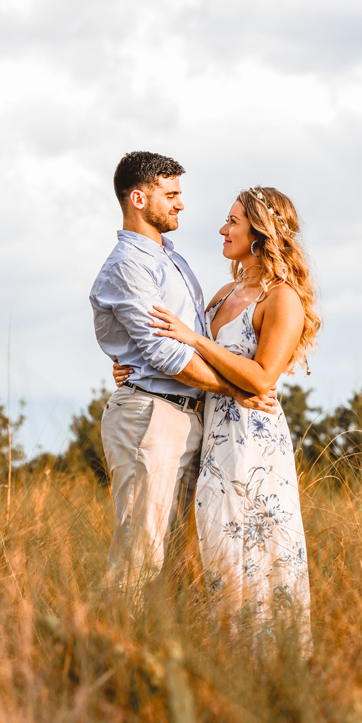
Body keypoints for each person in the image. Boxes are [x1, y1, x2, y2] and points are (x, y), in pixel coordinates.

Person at [114, 185, 320, 643]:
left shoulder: (281, 297)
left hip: (252, 437)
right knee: (215, 544)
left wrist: (195, 339)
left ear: (261, 233)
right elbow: (188, 358)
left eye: (233, 222)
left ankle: (270, 657)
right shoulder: (227, 290)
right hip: (212, 432)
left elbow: (262, 378)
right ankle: (223, 650)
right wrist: (135, 368)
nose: (223, 229)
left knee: (256, 545)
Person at [89, 151, 277, 592]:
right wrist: (236, 390)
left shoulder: (169, 259)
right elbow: (165, 354)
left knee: (177, 561)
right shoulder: (129, 265)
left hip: (183, 416)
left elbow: (186, 340)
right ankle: (100, 654)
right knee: (140, 555)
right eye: (170, 194)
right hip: (151, 417)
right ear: (138, 198)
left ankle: (156, 650)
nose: (181, 204)